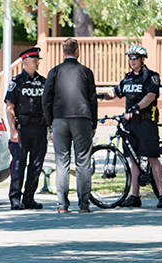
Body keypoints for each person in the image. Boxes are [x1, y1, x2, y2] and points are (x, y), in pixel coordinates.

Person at [101, 44, 162, 208]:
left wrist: (136, 107)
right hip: (130, 125)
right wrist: (100, 95)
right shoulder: (127, 79)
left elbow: (151, 96)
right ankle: (135, 196)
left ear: (142, 59)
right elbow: (114, 93)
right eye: (130, 58)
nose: (132, 61)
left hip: (146, 123)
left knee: (153, 158)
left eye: (135, 58)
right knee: (133, 159)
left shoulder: (151, 77)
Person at [42, 38, 98, 214]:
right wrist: (93, 123)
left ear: (63, 51)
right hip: (82, 118)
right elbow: (92, 99)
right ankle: (83, 205)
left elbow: (46, 99)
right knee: (83, 162)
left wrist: (50, 121)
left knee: (62, 162)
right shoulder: (86, 72)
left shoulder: (55, 71)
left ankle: (62, 205)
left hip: (60, 119)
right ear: (77, 51)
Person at [4, 47, 48, 210]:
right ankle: (15, 198)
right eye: (34, 59)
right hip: (22, 129)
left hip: (40, 128)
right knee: (18, 164)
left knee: (36, 165)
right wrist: (13, 130)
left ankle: (29, 197)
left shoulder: (43, 82)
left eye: (38, 59)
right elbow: (10, 107)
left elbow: (49, 106)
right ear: (24, 62)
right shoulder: (16, 82)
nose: (37, 62)